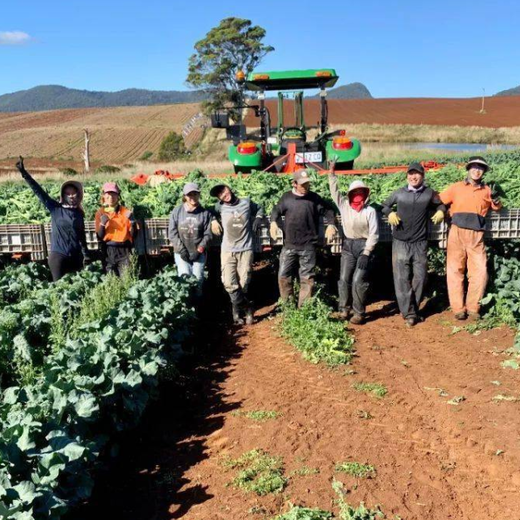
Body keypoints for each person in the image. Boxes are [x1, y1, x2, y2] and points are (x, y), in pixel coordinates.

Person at [382, 162, 446, 327]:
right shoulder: (399, 193)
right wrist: (390, 213)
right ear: (407, 176)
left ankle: (414, 309)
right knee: (401, 278)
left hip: (420, 242)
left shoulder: (429, 193)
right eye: (410, 174)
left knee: (420, 276)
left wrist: (441, 211)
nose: (413, 177)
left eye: (417, 174)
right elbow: (384, 205)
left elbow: (441, 203)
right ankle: (410, 313)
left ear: (422, 176)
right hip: (401, 242)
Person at [439, 156, 502, 321]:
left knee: (480, 272)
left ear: (483, 172)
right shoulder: (456, 187)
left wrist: (496, 199)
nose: (477, 170)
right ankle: (458, 309)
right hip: (457, 232)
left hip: (476, 235)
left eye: (480, 168)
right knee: (455, 271)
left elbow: (496, 207)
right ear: (468, 169)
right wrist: (441, 211)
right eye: (474, 167)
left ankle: (473, 308)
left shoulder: (487, 190)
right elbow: (439, 200)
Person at [16, 156, 89, 282]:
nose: (71, 196)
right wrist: (24, 173)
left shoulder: (79, 213)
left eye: (73, 193)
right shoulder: (55, 208)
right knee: (59, 290)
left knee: (77, 290)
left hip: (76, 258)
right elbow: (39, 192)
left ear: (78, 195)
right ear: (63, 195)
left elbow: (81, 236)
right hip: (59, 257)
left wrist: (86, 255)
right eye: (68, 193)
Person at [270, 169, 337, 307]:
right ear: (294, 184)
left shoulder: (314, 198)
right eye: (302, 184)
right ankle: (288, 306)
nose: (306, 187)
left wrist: (331, 224)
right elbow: (276, 210)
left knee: (307, 279)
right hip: (289, 245)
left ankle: (304, 310)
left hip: (308, 246)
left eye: (307, 184)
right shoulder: (286, 198)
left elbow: (328, 210)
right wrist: (272, 222)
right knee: (283, 276)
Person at [329, 162, 379, 324]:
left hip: (364, 247)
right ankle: (344, 309)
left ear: (365, 194)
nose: (358, 195)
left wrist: (367, 252)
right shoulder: (344, 207)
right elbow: (334, 192)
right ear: (350, 194)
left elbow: (374, 234)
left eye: (361, 192)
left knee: (358, 280)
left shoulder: (369, 211)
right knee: (344, 278)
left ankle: (359, 312)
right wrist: (332, 173)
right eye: (355, 192)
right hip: (348, 246)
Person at [209, 184, 264, 325]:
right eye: (219, 195)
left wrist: (258, 217)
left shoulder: (246, 202)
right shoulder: (219, 207)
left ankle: (236, 311)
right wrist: (213, 220)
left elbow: (260, 207)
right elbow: (207, 212)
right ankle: (247, 307)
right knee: (228, 282)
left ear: (229, 189)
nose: (223, 195)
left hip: (245, 249)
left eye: (224, 191)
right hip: (228, 250)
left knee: (243, 283)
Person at [168, 182, 211, 296]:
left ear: (199, 195)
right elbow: (172, 233)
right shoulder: (177, 211)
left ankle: (197, 306)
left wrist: (199, 250)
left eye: (195, 194)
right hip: (181, 252)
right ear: (185, 196)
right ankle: (187, 306)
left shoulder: (204, 213)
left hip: (198, 253)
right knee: (184, 278)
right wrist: (181, 250)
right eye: (189, 195)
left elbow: (207, 234)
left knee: (198, 279)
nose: (193, 197)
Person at [94, 182, 137, 276]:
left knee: (126, 279)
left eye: (114, 194)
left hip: (124, 250)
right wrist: (102, 224)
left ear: (118, 196)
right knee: (110, 279)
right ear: (103, 196)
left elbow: (134, 235)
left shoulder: (126, 212)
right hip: (108, 250)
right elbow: (99, 237)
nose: (111, 197)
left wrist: (133, 222)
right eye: (108, 195)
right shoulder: (100, 213)